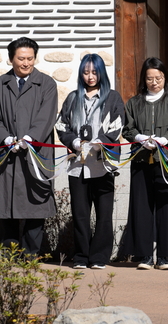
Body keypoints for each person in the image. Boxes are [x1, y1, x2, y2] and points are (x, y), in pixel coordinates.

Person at [0, 37, 58, 255]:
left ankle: (30, 255)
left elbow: (46, 117)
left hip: (35, 154)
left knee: (35, 207)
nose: (26, 63)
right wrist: (6, 139)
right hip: (8, 155)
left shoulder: (47, 84)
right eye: (21, 58)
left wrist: (29, 138)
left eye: (30, 58)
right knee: (6, 207)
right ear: (11, 59)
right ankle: (9, 254)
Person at [55, 54, 124, 270]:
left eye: (94, 72)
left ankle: (99, 257)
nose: (90, 76)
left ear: (102, 73)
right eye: (86, 72)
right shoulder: (73, 98)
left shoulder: (112, 98)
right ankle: (81, 256)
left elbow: (118, 125)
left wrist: (100, 141)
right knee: (80, 213)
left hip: (103, 164)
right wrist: (73, 141)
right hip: (78, 165)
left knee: (104, 214)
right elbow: (61, 125)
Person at [121, 57, 168, 270]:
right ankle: (145, 256)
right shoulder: (134, 102)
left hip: (167, 159)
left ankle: (165, 256)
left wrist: (164, 139)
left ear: (165, 77)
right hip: (141, 160)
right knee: (142, 208)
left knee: (167, 206)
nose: (154, 82)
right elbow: (127, 129)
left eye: (158, 78)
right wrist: (139, 138)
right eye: (150, 78)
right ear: (144, 79)